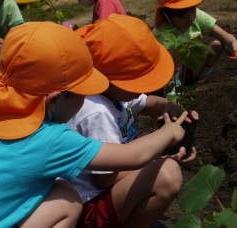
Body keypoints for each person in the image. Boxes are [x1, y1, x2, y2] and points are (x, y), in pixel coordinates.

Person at [0, 21, 188, 228]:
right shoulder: (49, 139)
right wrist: (169, 132)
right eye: (83, 91)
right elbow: (134, 156)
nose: (89, 97)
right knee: (67, 201)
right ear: (54, 101)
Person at [67, 14, 199, 228]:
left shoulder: (115, 91)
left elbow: (147, 103)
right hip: (90, 207)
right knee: (167, 174)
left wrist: (171, 107)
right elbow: (104, 178)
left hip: (108, 193)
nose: (143, 87)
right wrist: (159, 153)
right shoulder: (96, 112)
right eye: (138, 81)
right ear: (106, 78)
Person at [152, 0, 237, 85]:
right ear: (167, 16)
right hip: (169, 76)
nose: (190, 19)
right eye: (182, 17)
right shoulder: (161, 32)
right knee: (176, 46)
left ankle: (203, 78)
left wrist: (233, 43)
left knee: (217, 43)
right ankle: (175, 84)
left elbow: (224, 35)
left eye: (193, 11)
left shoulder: (197, 16)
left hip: (194, 69)